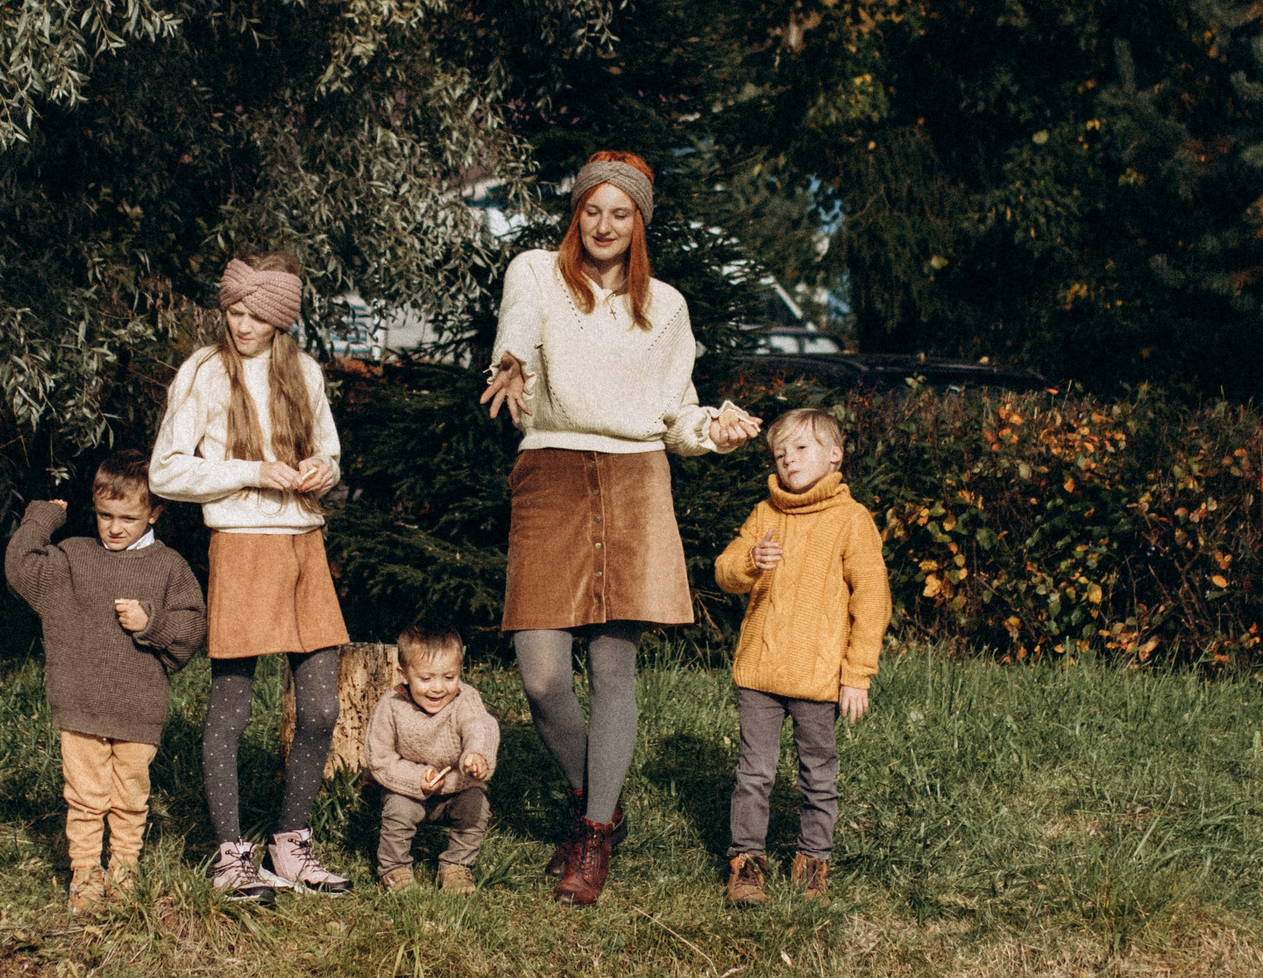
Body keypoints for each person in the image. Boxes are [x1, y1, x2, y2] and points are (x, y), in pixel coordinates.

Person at [480, 151, 762, 905]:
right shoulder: (535, 272)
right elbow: (518, 325)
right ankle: (595, 798)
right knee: (541, 675)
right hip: (550, 472)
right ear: (576, 214)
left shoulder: (664, 304)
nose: (604, 225)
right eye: (592, 210)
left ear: (639, 223)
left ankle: (594, 834)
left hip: (637, 477)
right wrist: (509, 361)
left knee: (613, 672)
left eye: (621, 213)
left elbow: (677, 410)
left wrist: (717, 429)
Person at [150, 253, 352, 904]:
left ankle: (290, 846)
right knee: (231, 708)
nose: (241, 324)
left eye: (255, 315)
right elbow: (165, 472)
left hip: (305, 549)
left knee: (320, 707)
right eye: (233, 312)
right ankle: (231, 856)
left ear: (280, 318)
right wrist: (249, 471)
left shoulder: (306, 371)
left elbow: (330, 448)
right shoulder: (204, 371)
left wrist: (324, 469)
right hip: (240, 547)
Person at [4, 451, 206, 914]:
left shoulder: (169, 566)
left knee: (131, 796)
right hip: (79, 703)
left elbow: (192, 628)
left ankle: (125, 870)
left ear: (155, 512)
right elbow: (19, 567)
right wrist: (42, 519)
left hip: (139, 708)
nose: (115, 528)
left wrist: (150, 623)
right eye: (104, 516)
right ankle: (86, 874)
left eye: (129, 518)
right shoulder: (72, 558)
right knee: (85, 796)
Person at [712, 407, 890, 905]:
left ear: (835, 456)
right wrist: (750, 562)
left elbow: (872, 600)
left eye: (801, 448)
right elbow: (724, 570)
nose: (789, 460)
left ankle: (813, 861)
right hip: (761, 673)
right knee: (754, 773)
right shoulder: (765, 514)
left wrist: (857, 674)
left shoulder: (852, 520)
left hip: (818, 678)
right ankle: (747, 863)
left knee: (818, 774)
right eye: (780, 452)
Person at [363, 619, 500, 893]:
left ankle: (457, 865)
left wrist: (476, 756)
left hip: (455, 788)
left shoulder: (466, 700)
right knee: (398, 812)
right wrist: (415, 778)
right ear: (405, 675)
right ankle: (394, 869)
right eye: (426, 679)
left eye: (449, 677)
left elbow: (480, 728)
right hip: (408, 791)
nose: (438, 688)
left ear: (460, 671)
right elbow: (379, 758)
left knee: (476, 805)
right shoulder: (391, 707)